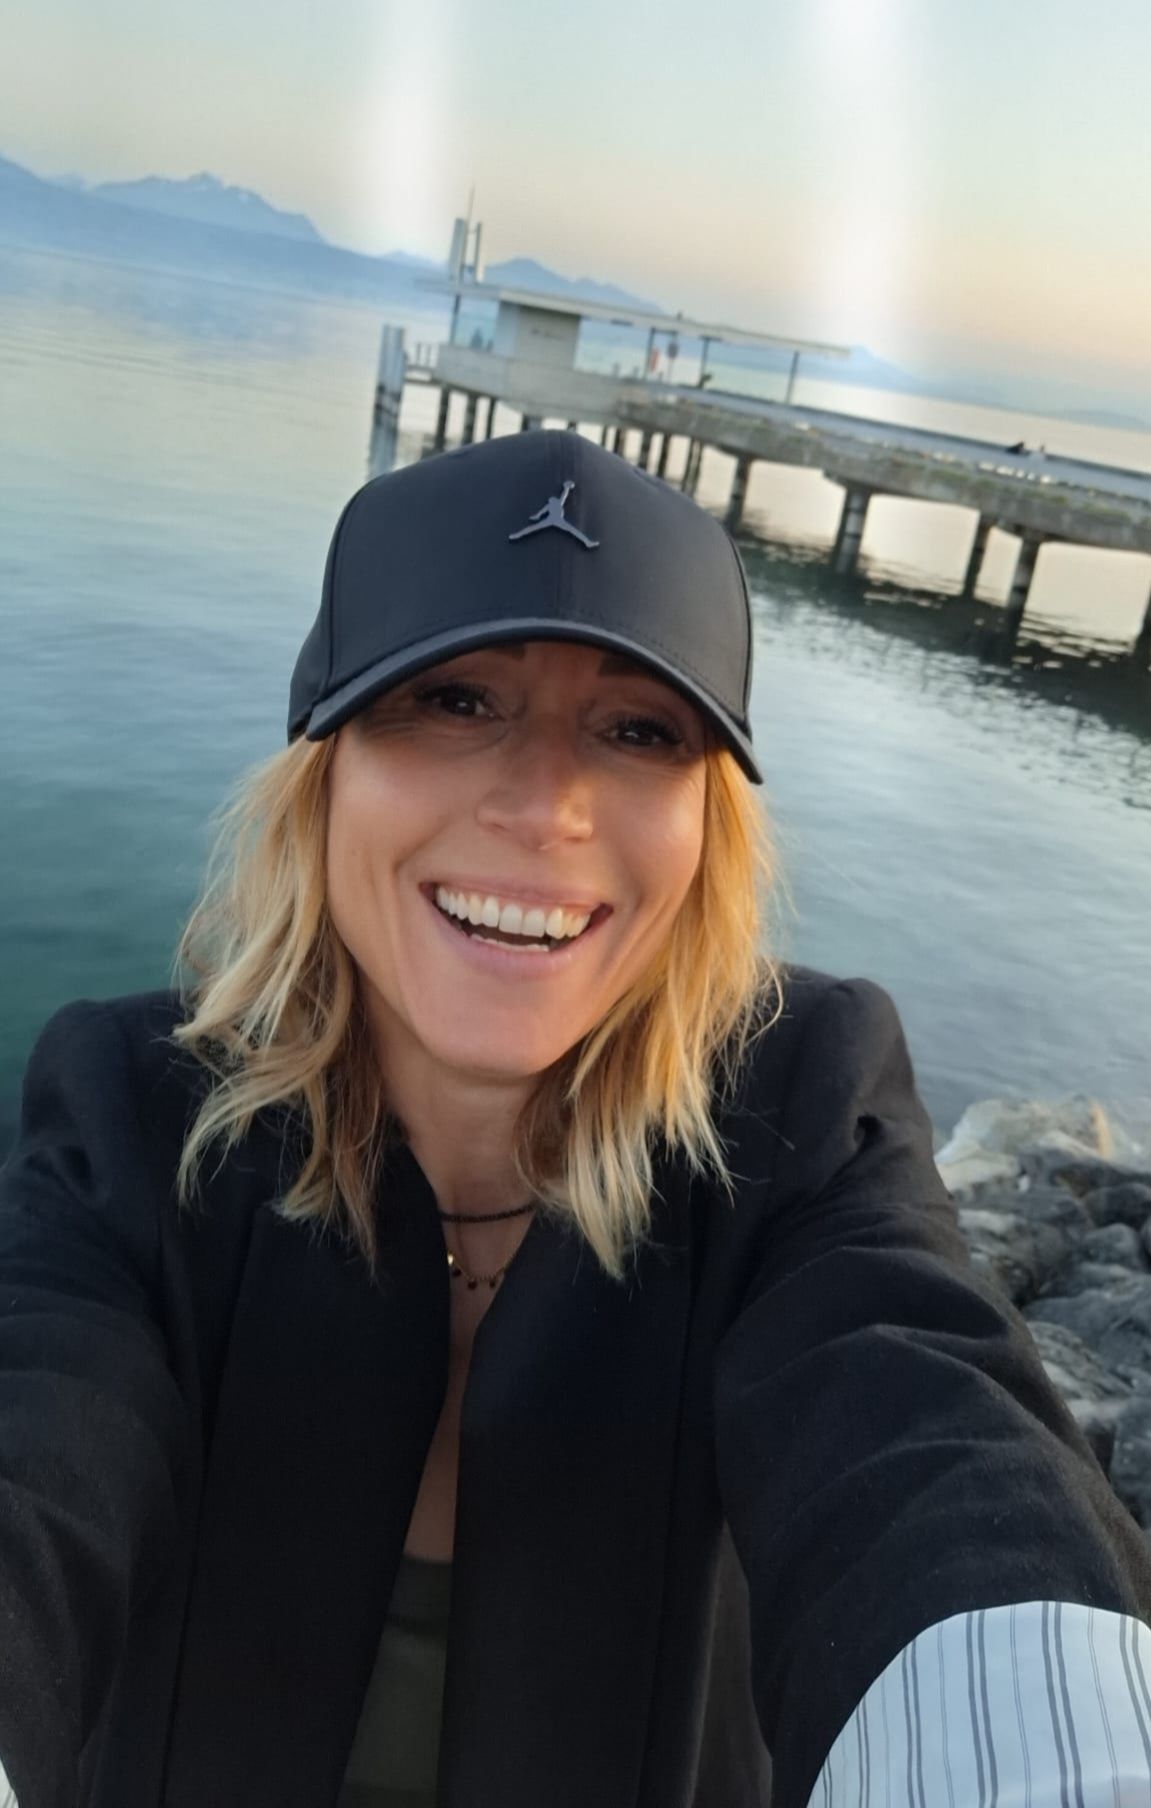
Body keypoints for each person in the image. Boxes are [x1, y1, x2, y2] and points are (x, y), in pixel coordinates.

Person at [1, 428, 1150, 1808]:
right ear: (325, 767)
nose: (547, 806)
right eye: (454, 699)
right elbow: (39, 1423)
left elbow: (928, 1437)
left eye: (640, 730)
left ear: (707, 826)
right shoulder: (134, 1117)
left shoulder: (798, 1116)